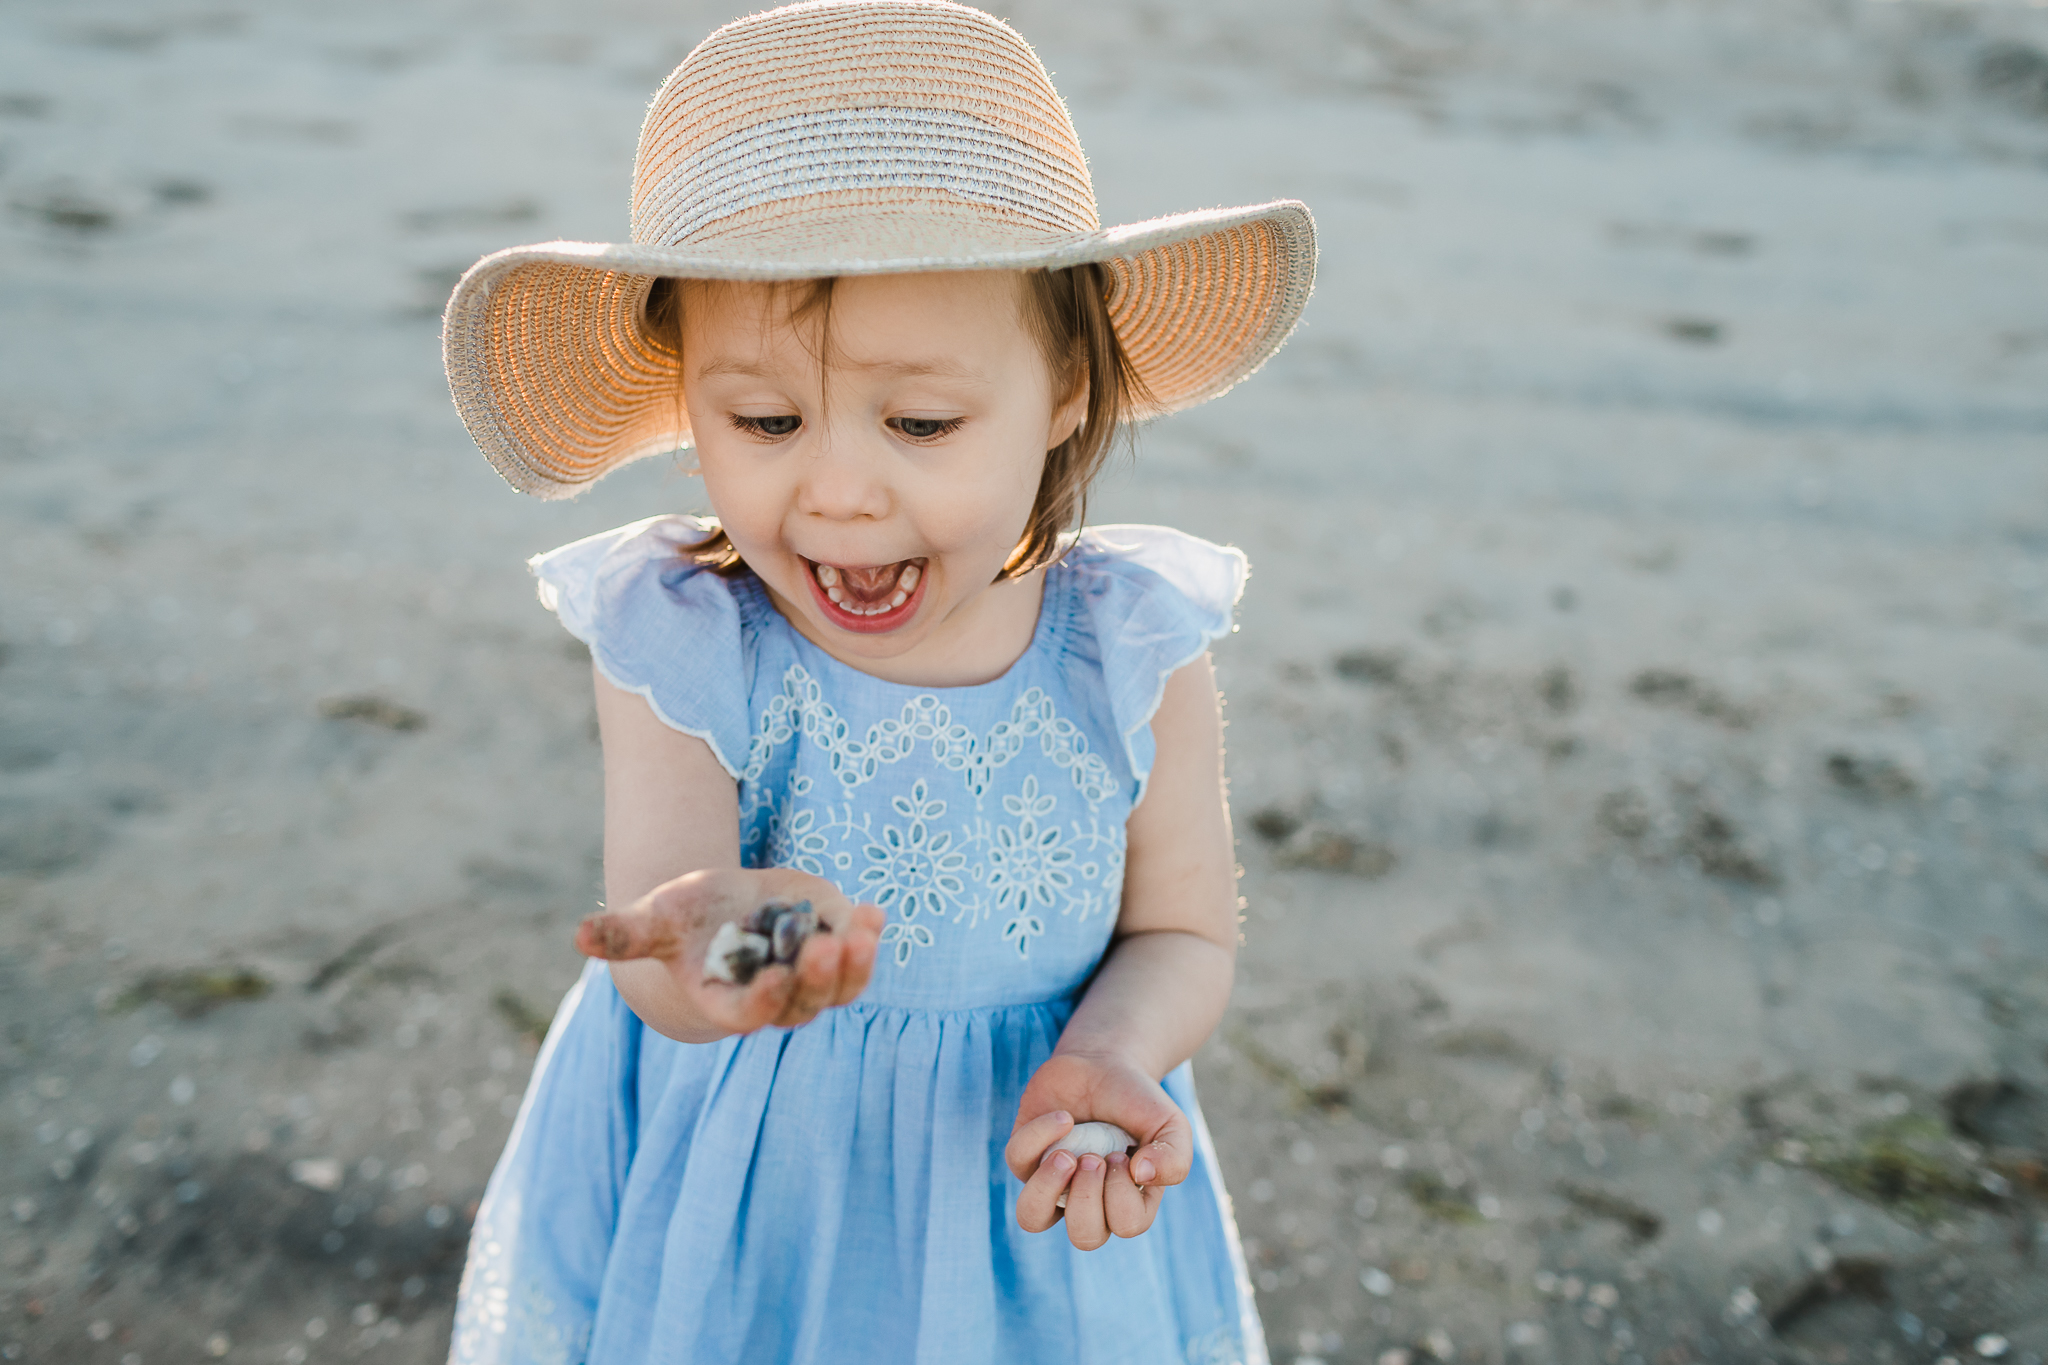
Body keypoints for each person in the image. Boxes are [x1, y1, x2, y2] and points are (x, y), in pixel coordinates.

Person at [438, 2, 1314, 1360]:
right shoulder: (694, 636)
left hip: (1027, 1192)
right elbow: (666, 954)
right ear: (688, 397)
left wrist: (1117, 1056)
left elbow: (1184, 932)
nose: (839, 489)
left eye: (920, 421)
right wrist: (732, 942)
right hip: (753, 1212)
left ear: (1069, 388)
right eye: (766, 419)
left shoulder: (1132, 646)